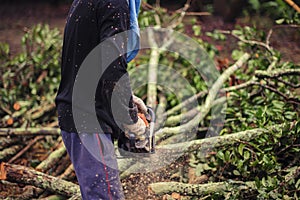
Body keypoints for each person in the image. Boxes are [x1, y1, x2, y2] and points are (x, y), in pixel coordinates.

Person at [55, 0, 145, 199]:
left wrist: (128, 99)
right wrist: (130, 118)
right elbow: (112, 65)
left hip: (81, 113)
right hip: (88, 118)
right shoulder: (115, 2)